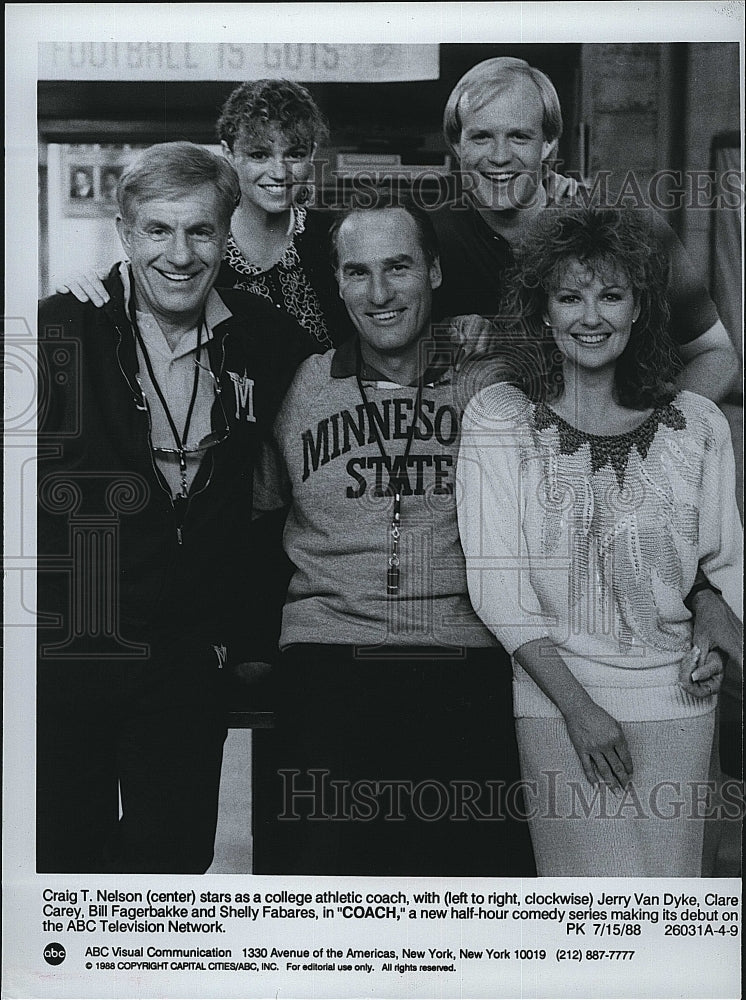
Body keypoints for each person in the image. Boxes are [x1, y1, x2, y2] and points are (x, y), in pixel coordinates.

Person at [36, 141, 308, 873]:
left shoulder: (265, 337)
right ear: (125, 233)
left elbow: (366, 352)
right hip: (69, 651)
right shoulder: (58, 328)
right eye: (158, 230)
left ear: (228, 236)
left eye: (200, 231)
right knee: (59, 862)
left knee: (172, 866)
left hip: (187, 658)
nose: (180, 254)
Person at [250, 194, 536, 877]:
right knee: (318, 894)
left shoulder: (490, 382)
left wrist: (500, 333)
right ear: (339, 282)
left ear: (434, 273)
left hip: (464, 655)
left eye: (399, 268)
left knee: (473, 899)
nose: (379, 294)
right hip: (329, 656)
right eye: (358, 272)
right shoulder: (304, 384)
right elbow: (258, 515)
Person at [456, 207, 743, 876]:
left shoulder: (697, 426)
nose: (592, 316)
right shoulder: (498, 422)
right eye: (570, 296)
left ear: (639, 307)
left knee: (671, 912)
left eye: (611, 295)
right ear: (543, 312)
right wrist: (580, 710)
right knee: (585, 917)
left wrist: (713, 644)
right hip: (560, 702)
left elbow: (723, 570)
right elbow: (498, 593)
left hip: (679, 701)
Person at [433, 56, 740, 404]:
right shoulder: (431, 239)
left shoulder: (629, 227)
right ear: (457, 144)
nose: (499, 156)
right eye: (481, 137)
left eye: (519, 136)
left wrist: (656, 438)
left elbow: (717, 356)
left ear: (548, 143)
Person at [59, 79, 352, 351]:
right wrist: (90, 283)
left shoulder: (337, 237)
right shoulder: (196, 244)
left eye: (295, 154)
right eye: (259, 155)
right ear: (228, 151)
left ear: (312, 154)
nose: (279, 173)